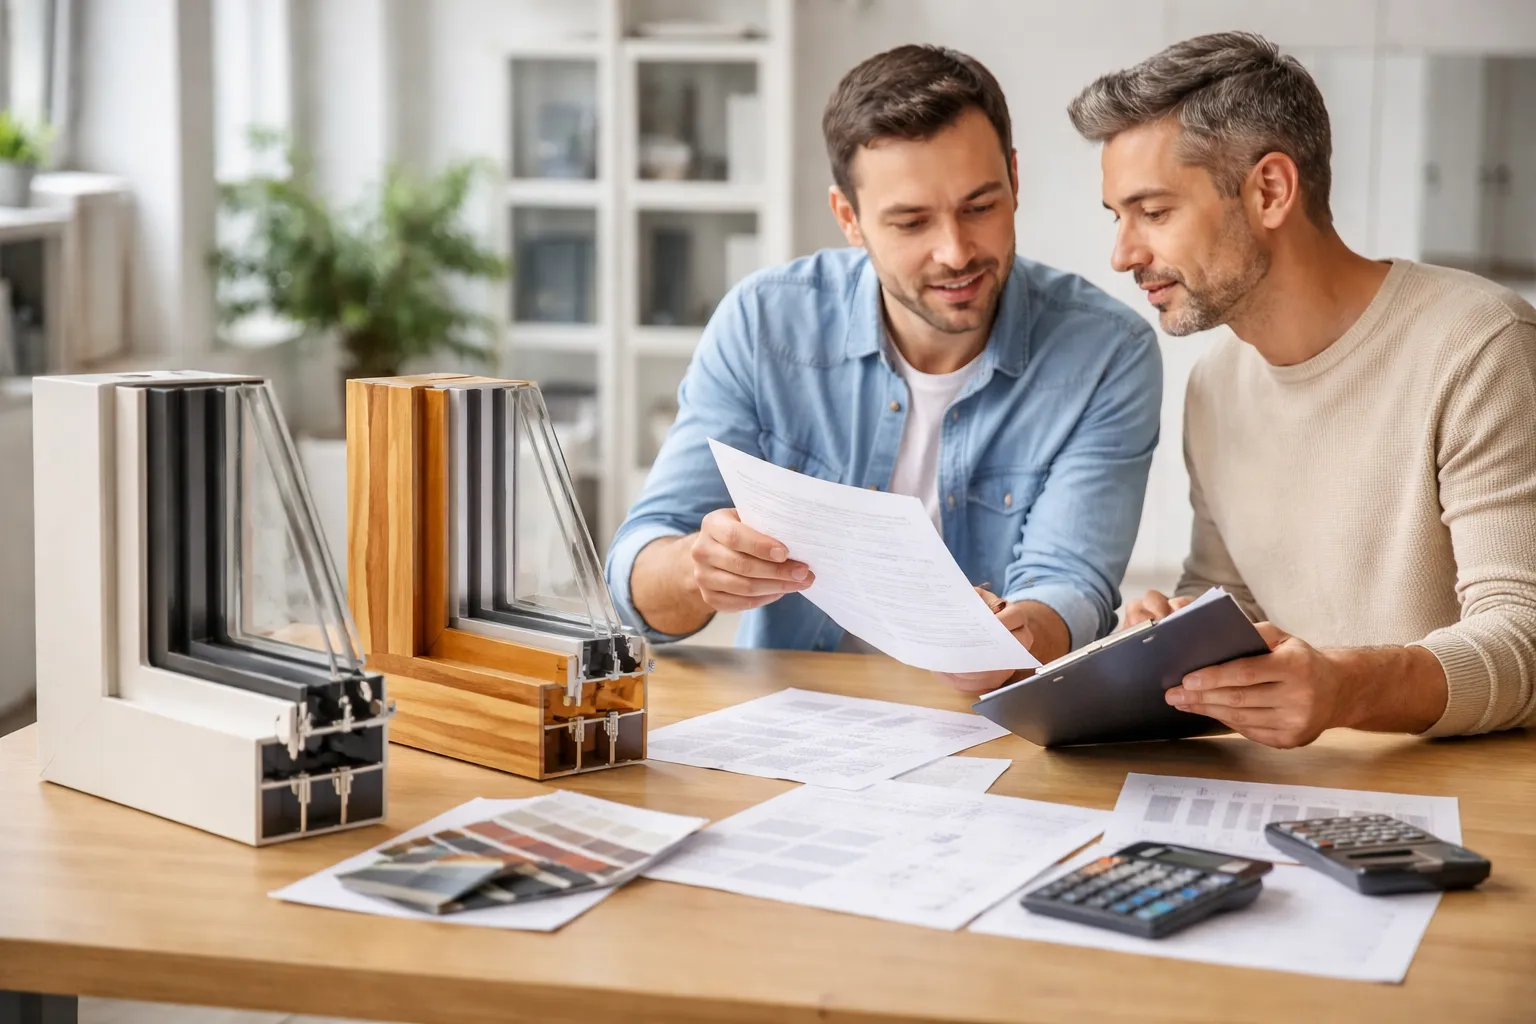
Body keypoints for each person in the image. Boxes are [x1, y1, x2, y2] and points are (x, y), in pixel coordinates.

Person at [604, 44, 1161, 692]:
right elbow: (635, 577)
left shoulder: (1106, 353)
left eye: (980, 206)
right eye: (911, 222)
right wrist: (699, 572)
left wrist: (1013, 638)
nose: (955, 251)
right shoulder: (765, 325)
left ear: (1014, 180)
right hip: (797, 718)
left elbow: (1073, 584)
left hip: (991, 729)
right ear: (850, 218)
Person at [1069, 32, 1536, 746]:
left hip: (1460, 799)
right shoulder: (1215, 385)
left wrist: (1346, 688)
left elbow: (1524, 634)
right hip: (1296, 791)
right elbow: (1238, 595)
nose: (1123, 254)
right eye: (1118, 217)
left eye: (1154, 212)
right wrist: (1177, 630)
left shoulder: (1480, 343)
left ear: (1270, 190)